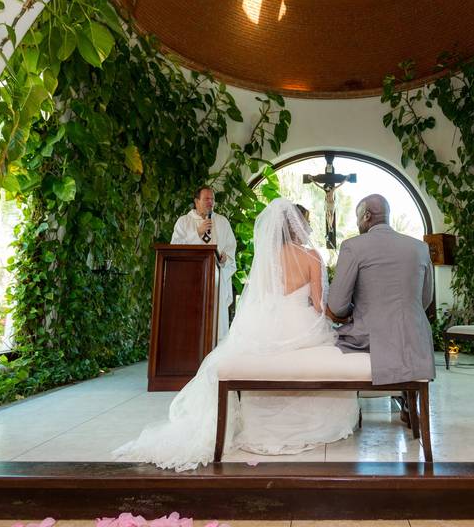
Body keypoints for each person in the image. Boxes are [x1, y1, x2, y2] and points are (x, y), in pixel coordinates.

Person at [116, 199, 358, 471]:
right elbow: (317, 303)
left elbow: (261, 299)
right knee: (323, 351)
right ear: (299, 226)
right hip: (300, 324)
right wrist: (341, 318)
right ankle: (309, 422)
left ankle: (259, 424)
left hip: (267, 325)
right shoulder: (312, 255)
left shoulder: (266, 258)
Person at [326, 194, 436, 386]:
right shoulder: (420, 248)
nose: (357, 224)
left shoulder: (353, 246)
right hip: (415, 338)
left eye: (358, 218)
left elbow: (337, 306)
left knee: (325, 342)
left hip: (370, 338)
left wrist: (356, 311)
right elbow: (424, 300)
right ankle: (407, 404)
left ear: (367, 216)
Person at [172, 186, 237, 342]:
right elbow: (174, 248)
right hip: (189, 281)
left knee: (216, 322)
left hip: (216, 282)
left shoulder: (222, 222)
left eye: (212, 199)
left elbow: (230, 248)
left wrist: (224, 258)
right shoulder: (184, 222)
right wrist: (198, 233)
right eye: (206, 199)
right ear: (196, 201)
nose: (210, 202)